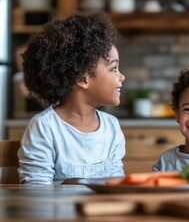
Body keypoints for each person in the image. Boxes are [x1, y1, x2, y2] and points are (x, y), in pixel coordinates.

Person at [17, 13, 126, 184]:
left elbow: (116, 184)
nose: (122, 77)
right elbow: (36, 188)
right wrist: (67, 186)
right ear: (83, 79)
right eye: (114, 69)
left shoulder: (112, 127)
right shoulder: (45, 127)